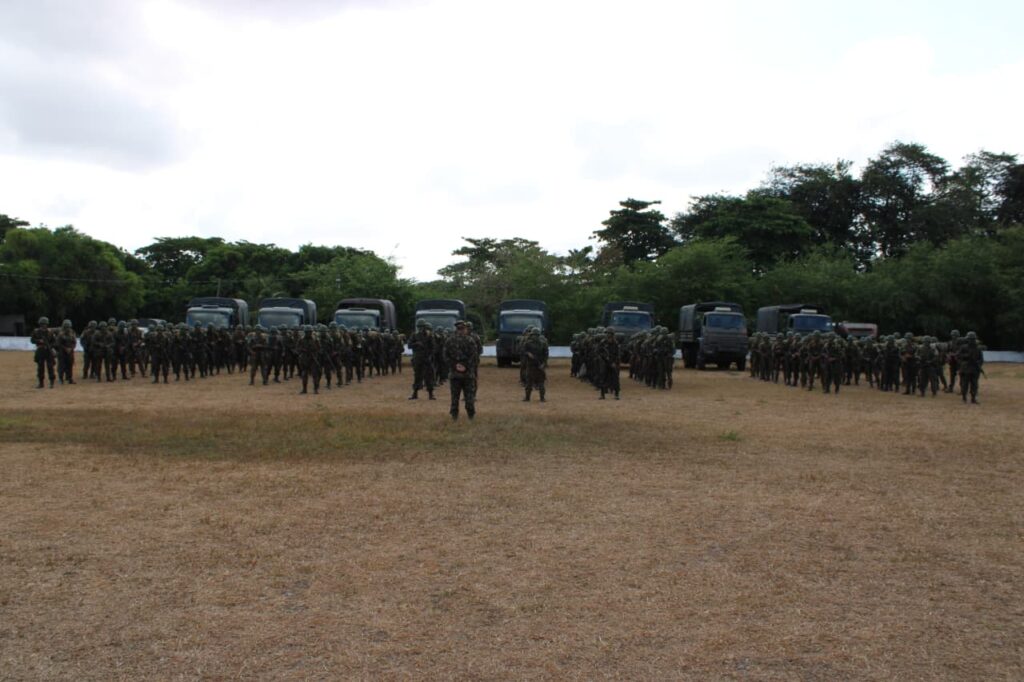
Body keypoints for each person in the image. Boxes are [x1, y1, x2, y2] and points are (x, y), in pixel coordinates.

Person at [444, 320, 479, 420]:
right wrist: (466, 366)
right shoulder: (470, 340)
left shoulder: (449, 340)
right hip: (468, 374)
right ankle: (471, 416)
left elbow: (445, 356)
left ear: (456, 329)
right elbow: (474, 357)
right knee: (469, 397)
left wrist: (455, 365)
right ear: (465, 329)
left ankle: (454, 416)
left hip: (454, 374)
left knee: (455, 397)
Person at [408, 319, 436, 400]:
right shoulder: (414, 335)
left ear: (424, 327)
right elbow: (409, 345)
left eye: (421, 327)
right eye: (419, 327)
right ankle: (415, 393)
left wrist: (430, 355)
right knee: (417, 376)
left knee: (429, 376)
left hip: (426, 359)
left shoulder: (429, 335)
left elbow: (433, 347)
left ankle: (431, 394)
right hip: (417, 358)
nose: (420, 328)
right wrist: (416, 344)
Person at [521, 326, 548, 402]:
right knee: (531, 382)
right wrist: (528, 353)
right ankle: (530, 397)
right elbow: (523, 351)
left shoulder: (541, 344)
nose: (535, 337)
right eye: (534, 335)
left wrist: (543, 364)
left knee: (539, 382)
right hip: (532, 365)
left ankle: (540, 398)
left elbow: (545, 355)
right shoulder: (528, 343)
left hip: (537, 365)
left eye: (536, 335)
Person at [957, 332, 984, 404]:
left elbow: (981, 359)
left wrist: (978, 365)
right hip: (965, 369)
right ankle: (964, 397)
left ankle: (973, 398)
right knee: (964, 385)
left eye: (973, 339)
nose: (971, 341)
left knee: (974, 385)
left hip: (974, 369)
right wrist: (963, 362)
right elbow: (958, 356)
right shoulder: (963, 347)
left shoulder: (978, 348)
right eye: (970, 339)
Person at [31, 317, 56, 389]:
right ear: (40, 324)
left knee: (50, 367)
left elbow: (54, 341)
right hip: (40, 350)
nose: (44, 325)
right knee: (40, 367)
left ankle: (51, 382)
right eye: (42, 324)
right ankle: (41, 383)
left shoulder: (50, 332)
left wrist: (50, 346)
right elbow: (32, 340)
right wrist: (39, 341)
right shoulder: (36, 331)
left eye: (45, 324)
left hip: (48, 351)